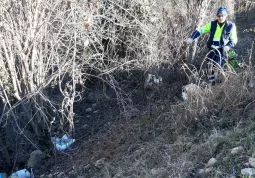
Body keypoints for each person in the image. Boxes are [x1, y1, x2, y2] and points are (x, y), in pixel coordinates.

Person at [187, 7, 238, 83]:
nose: (220, 18)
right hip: (212, 49)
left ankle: (222, 83)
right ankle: (212, 84)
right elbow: (201, 30)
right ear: (217, 16)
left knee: (221, 66)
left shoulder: (230, 26)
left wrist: (228, 46)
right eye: (219, 16)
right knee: (209, 66)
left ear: (226, 16)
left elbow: (234, 39)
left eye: (222, 16)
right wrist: (192, 37)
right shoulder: (212, 24)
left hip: (223, 49)